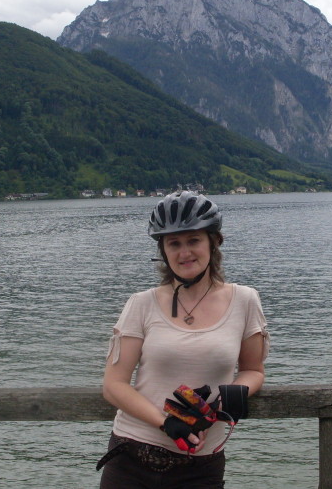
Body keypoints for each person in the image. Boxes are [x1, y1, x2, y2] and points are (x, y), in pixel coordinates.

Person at [97, 190, 269, 488]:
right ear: (163, 251)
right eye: (174, 243)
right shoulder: (141, 304)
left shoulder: (245, 300)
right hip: (132, 456)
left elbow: (253, 370)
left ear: (214, 242)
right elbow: (114, 385)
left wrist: (230, 397)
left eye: (193, 240)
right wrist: (166, 423)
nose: (184, 252)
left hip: (202, 465)